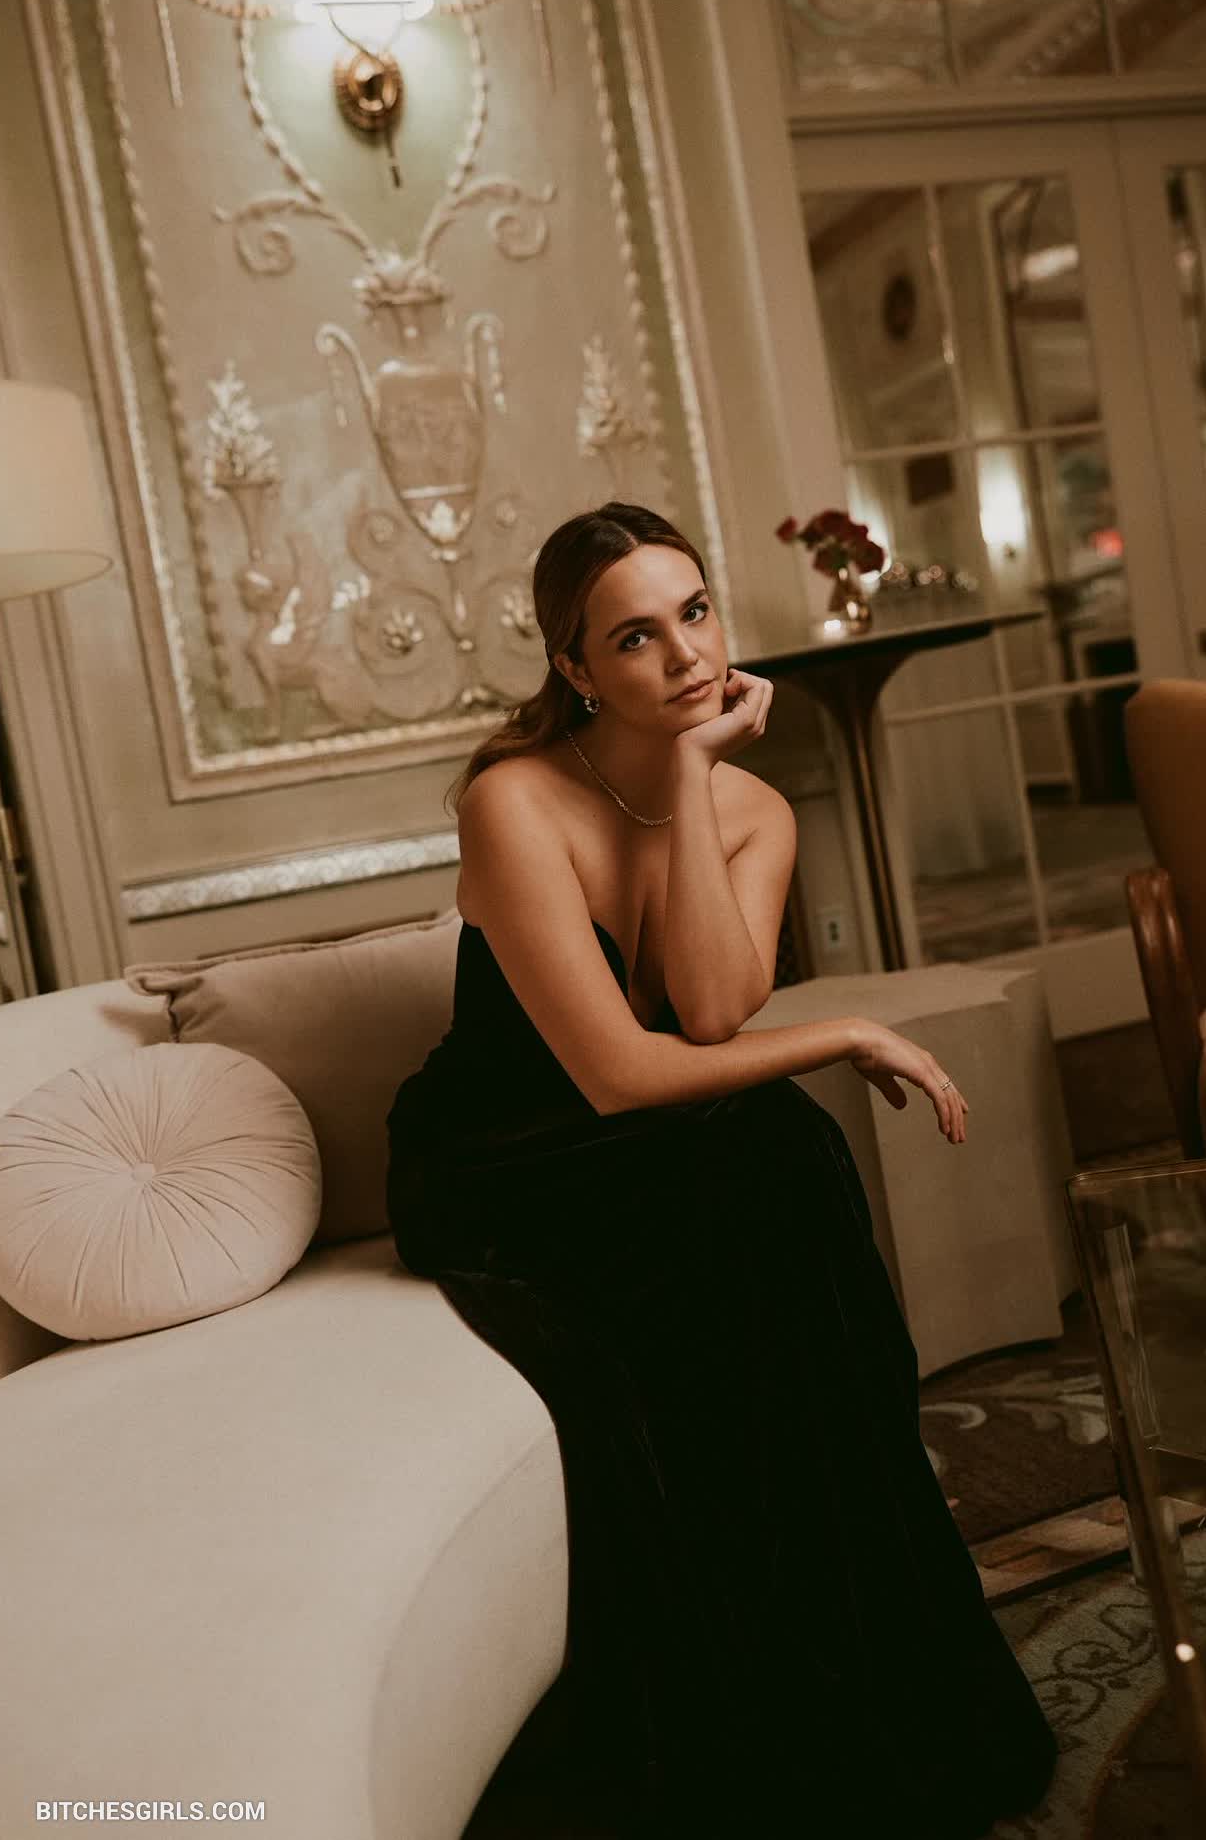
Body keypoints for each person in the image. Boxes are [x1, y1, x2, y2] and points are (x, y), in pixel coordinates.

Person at [384, 502, 1058, 1837]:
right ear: (575, 667)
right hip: (507, 1155)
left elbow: (703, 1012)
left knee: (783, 1156)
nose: (685, 653)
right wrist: (848, 1030)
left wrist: (690, 777)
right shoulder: (512, 801)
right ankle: (746, 1692)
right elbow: (613, 1078)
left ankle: (854, 1649)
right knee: (750, 1179)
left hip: (647, 1134)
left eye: (693, 612)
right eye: (635, 637)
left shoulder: (753, 810)